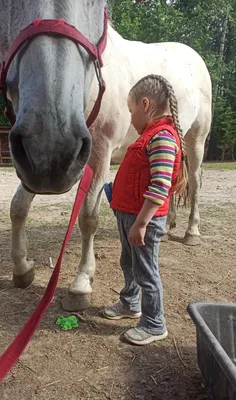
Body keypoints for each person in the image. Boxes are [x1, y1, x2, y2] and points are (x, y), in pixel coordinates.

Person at [101, 74, 189, 346]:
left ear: (146, 104)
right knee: (129, 263)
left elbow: (160, 186)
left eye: (131, 111)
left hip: (143, 221)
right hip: (129, 215)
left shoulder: (162, 137)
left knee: (146, 272)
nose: (130, 118)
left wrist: (141, 223)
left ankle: (154, 323)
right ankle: (130, 303)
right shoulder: (148, 136)